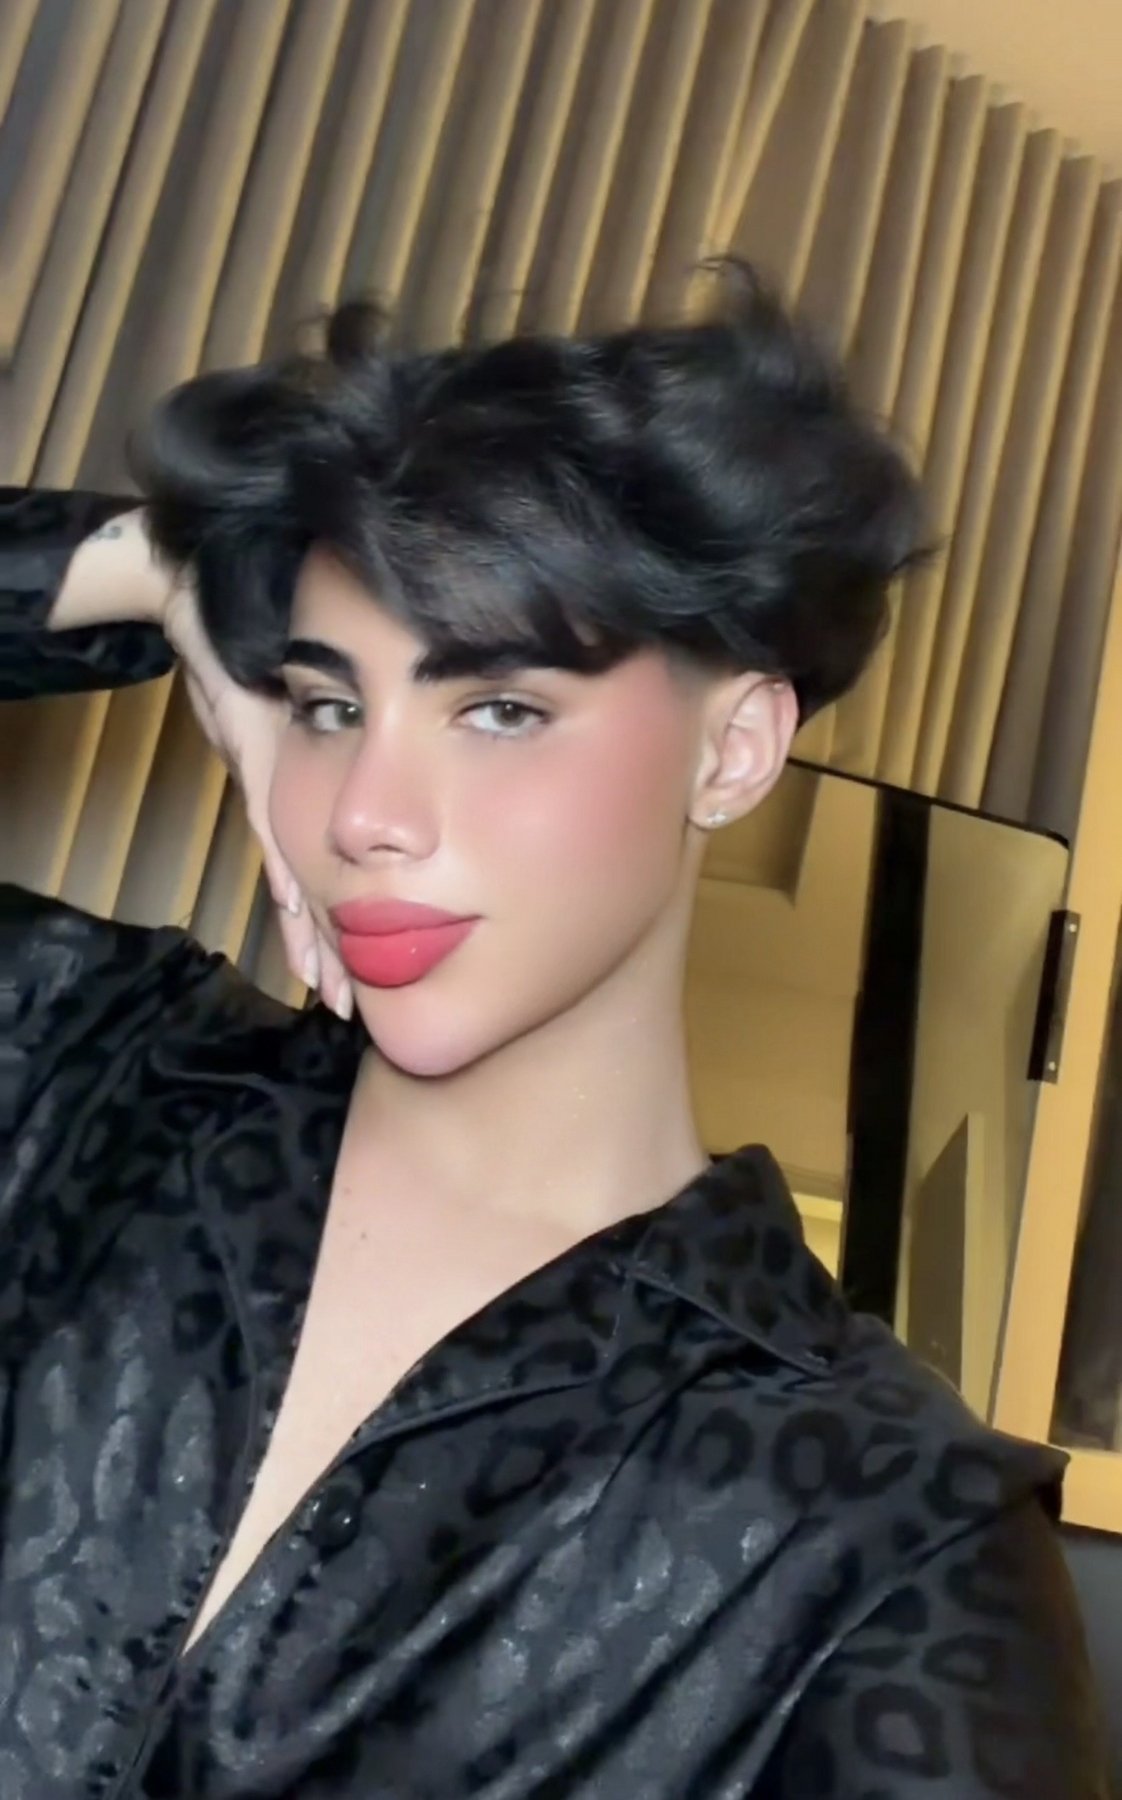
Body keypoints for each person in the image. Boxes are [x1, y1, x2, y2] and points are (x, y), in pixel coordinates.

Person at [1, 270, 1106, 1798]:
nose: (365, 815)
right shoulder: (73, 1067)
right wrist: (160, 573)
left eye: (499, 709)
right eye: (328, 706)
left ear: (733, 748)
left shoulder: (884, 1534)